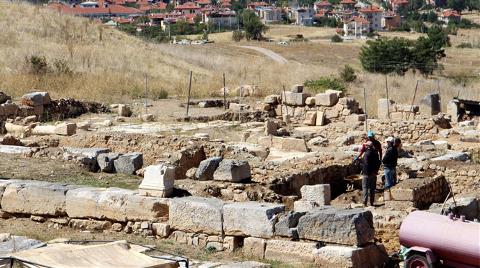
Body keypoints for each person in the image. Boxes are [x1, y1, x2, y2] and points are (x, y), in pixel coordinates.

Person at [362, 141, 381, 206]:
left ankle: (365, 202)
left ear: (367, 146)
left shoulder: (367, 154)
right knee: (372, 189)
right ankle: (372, 202)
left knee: (365, 188)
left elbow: (366, 164)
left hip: (367, 173)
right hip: (374, 173)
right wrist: (375, 171)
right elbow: (378, 162)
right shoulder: (375, 153)